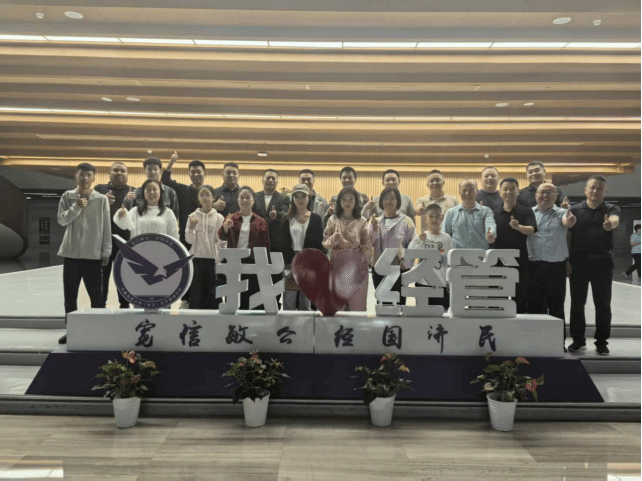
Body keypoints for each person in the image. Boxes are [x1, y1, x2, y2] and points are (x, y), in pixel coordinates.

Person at [57, 163, 111, 344]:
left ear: (94, 177)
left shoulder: (101, 199)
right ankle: (71, 331)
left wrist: (106, 250)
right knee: (70, 296)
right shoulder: (67, 196)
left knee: (96, 297)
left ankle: (98, 331)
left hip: (93, 255)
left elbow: (106, 226)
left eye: (88, 175)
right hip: (71, 254)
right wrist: (77, 207)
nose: (85, 178)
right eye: (81, 174)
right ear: (76, 176)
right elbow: (62, 220)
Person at [567, 175, 621, 356]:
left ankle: (602, 342)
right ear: (585, 190)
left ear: (605, 191)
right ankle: (578, 340)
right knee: (577, 303)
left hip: (602, 262)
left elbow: (615, 219)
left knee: (603, 304)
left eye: (599, 188)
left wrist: (610, 225)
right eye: (592, 187)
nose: (595, 191)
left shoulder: (611, 208)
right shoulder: (575, 210)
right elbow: (567, 234)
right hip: (578, 262)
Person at [527, 183, 576, 327]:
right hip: (533, 267)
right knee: (534, 307)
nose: (545, 195)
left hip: (555, 268)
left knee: (556, 307)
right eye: (542, 192)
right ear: (536, 195)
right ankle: (536, 339)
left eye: (550, 192)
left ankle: (558, 340)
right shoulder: (528, 213)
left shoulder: (562, 213)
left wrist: (570, 219)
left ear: (556, 196)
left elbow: (568, 222)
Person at [162, 151, 207, 307]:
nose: (196, 174)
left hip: (206, 239)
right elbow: (165, 180)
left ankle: (204, 300)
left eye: (198, 172)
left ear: (205, 174)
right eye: (192, 172)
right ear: (189, 175)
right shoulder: (183, 190)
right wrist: (171, 162)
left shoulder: (210, 193)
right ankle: (186, 299)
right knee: (187, 269)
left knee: (203, 270)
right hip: (186, 237)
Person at [218, 186, 270, 311]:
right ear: (238, 200)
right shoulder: (230, 218)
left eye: (248, 197)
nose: (245, 200)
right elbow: (222, 236)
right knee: (233, 298)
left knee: (252, 297)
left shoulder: (261, 221)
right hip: (233, 261)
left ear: (253, 200)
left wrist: (266, 265)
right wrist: (225, 227)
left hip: (253, 262)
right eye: (241, 197)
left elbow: (266, 244)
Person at [323, 186, 373, 311]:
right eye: (344, 199)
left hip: (357, 267)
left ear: (356, 201)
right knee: (338, 304)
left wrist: (363, 264)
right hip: (337, 267)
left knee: (357, 306)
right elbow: (325, 242)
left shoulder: (362, 221)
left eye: (351, 199)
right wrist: (334, 239)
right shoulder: (333, 220)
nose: (347, 202)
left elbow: (367, 246)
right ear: (339, 201)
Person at [492, 178, 537, 314]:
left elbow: (532, 229)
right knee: (498, 298)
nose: (509, 192)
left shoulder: (526, 211)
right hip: (497, 261)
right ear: (500, 192)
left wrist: (519, 227)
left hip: (520, 260)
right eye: (505, 189)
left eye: (512, 189)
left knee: (520, 297)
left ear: (518, 192)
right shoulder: (493, 213)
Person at [94, 162, 133, 309]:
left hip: (125, 241)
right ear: (109, 173)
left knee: (124, 276)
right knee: (101, 276)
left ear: (127, 174)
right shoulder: (99, 189)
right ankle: (100, 306)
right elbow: (90, 210)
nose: (119, 173)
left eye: (123, 171)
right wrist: (102, 201)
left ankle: (125, 306)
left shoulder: (133, 192)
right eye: (115, 170)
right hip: (103, 240)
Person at [281, 184, 326, 311]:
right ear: (292, 199)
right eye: (296, 196)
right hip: (290, 263)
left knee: (306, 303)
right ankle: (288, 324)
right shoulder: (286, 218)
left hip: (309, 263)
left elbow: (319, 244)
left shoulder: (316, 218)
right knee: (289, 301)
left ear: (309, 198)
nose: (300, 199)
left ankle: (305, 325)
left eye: (303, 196)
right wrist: (289, 263)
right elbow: (283, 244)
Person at [369, 187, 416, 306]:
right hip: (379, 269)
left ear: (398, 201)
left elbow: (413, 245)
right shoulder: (375, 221)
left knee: (399, 304)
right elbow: (370, 244)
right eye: (385, 199)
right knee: (382, 305)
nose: (388, 202)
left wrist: (406, 264)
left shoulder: (406, 221)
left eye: (392, 199)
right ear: (381, 201)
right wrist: (374, 229)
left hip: (399, 269)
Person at [254, 169, 290, 309]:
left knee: (276, 277)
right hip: (258, 243)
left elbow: (287, 214)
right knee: (258, 277)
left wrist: (277, 216)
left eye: (273, 178)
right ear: (262, 180)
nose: (270, 180)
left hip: (277, 244)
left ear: (277, 181)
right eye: (267, 178)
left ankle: (275, 304)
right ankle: (258, 306)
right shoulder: (255, 196)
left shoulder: (284, 198)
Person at [408, 204, 454, 311]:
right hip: (423, 284)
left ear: (442, 218)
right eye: (431, 216)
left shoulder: (447, 239)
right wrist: (419, 241)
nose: (434, 219)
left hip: (441, 285)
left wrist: (449, 281)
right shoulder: (421, 236)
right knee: (422, 315)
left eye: (437, 216)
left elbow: (451, 263)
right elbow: (410, 254)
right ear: (425, 218)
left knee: (442, 315)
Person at [185, 185, 225, 309]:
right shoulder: (193, 216)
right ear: (198, 198)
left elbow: (220, 241)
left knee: (213, 296)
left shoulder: (219, 217)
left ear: (214, 197)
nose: (205, 198)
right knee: (196, 295)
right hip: (196, 260)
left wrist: (219, 260)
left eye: (207, 194)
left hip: (213, 261)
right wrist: (191, 227)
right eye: (201, 195)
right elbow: (189, 240)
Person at [115, 179, 179, 240]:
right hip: (138, 246)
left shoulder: (168, 212)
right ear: (143, 192)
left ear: (160, 192)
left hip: (161, 247)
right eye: (148, 190)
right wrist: (121, 215)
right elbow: (124, 226)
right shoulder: (135, 211)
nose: (151, 192)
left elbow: (174, 235)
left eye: (154, 189)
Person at [442, 180, 497, 249]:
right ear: (459, 192)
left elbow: (490, 224)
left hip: (480, 254)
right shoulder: (451, 213)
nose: (467, 193)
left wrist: (491, 234)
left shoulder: (486, 211)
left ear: (476, 191)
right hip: (457, 254)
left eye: (471, 190)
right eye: (464, 190)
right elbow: (444, 236)